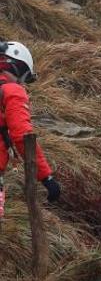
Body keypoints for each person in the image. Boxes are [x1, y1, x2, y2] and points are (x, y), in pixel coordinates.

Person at [0, 41, 61, 205]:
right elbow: (23, 137)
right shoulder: (12, 91)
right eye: (25, 75)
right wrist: (46, 178)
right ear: (16, 67)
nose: (22, 83)